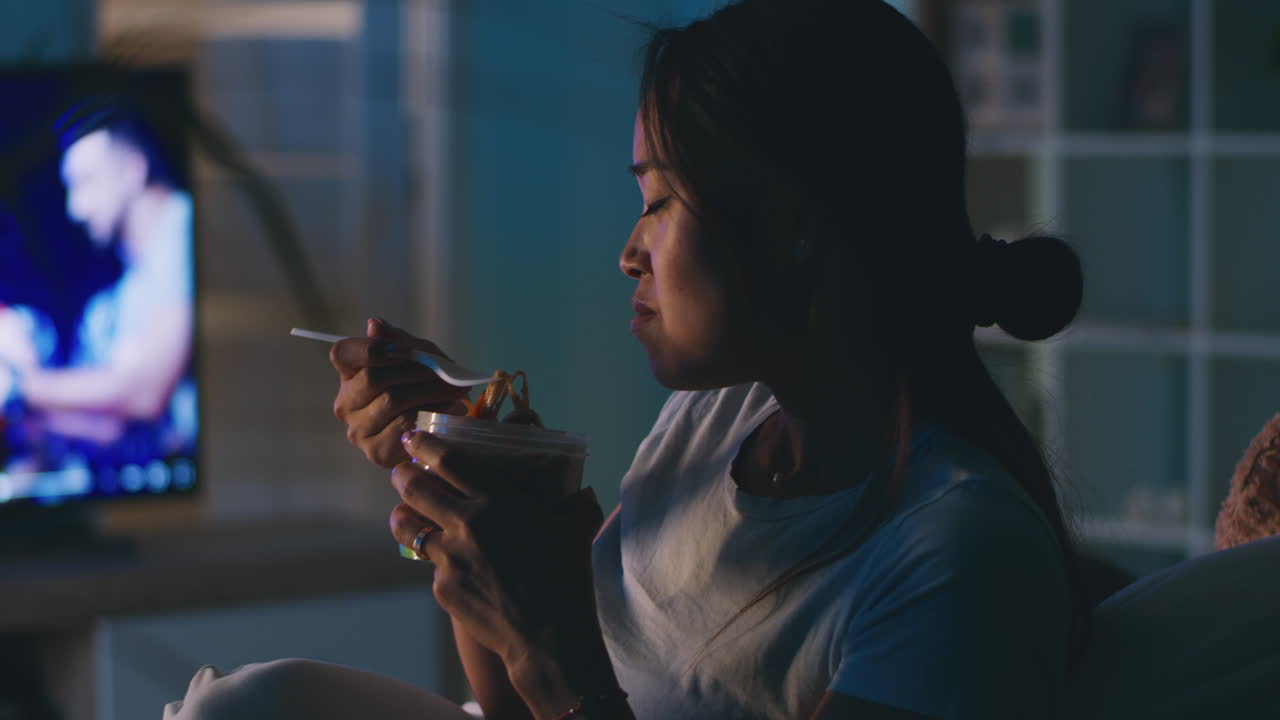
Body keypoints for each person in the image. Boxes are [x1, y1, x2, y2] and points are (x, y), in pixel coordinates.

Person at [165, 1, 1088, 718]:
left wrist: (555, 651)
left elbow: (564, 685)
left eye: (659, 201)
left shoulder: (957, 558)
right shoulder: (716, 421)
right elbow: (520, 705)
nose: (629, 252)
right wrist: (473, 479)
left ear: (795, 223)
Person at [0, 102, 195, 471]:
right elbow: (112, 428)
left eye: (86, 182)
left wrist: (19, 386)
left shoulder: (183, 228)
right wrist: (19, 398)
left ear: (133, 170)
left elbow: (145, 392)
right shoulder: (127, 289)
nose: (76, 208)